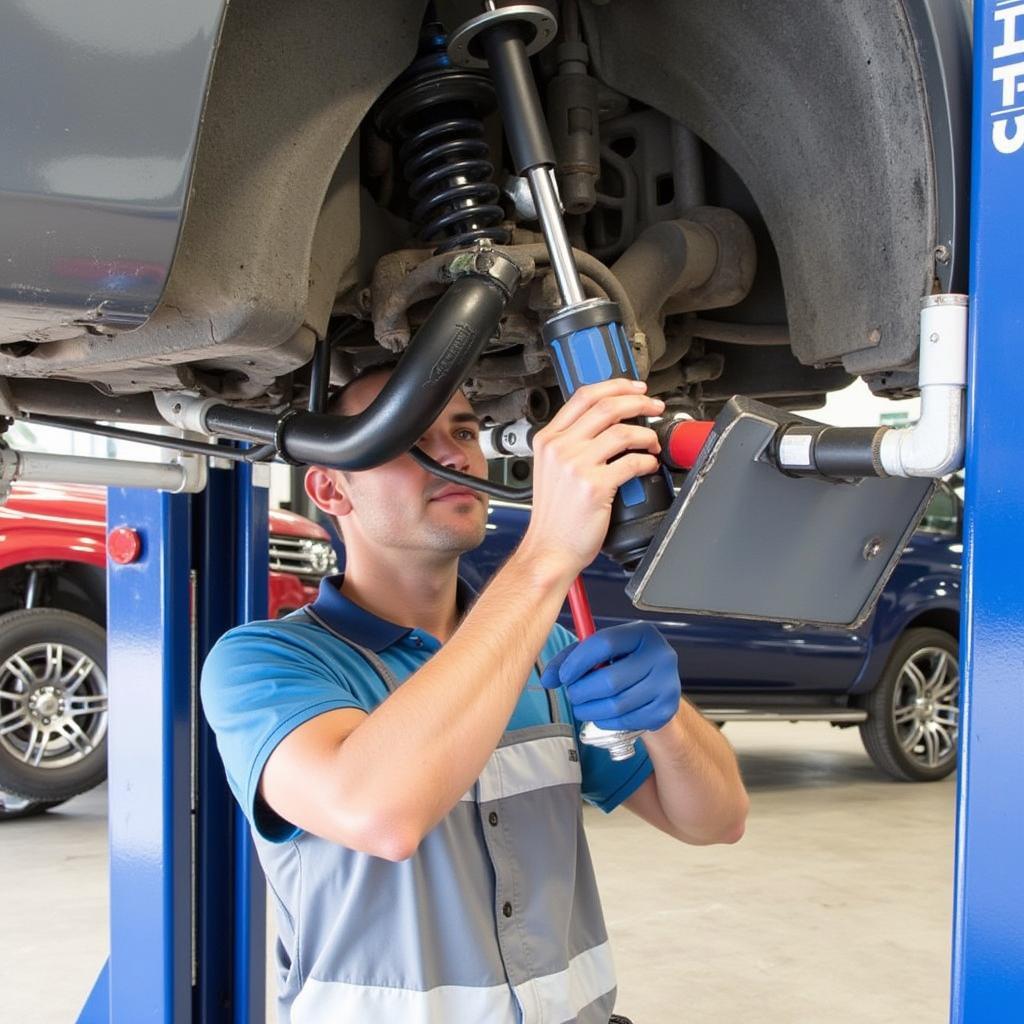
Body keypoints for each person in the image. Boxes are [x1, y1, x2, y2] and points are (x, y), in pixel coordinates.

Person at [201, 370, 749, 1024]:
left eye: (463, 430)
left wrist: (668, 721)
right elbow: (380, 814)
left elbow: (717, 821)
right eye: (410, 436)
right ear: (329, 488)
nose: (456, 454)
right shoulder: (265, 663)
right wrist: (545, 554)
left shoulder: (546, 651)